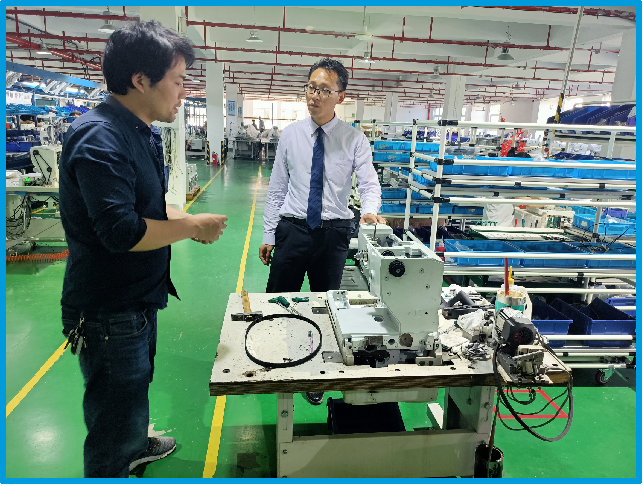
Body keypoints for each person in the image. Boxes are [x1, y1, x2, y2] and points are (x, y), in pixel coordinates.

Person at [58, 21, 228, 478]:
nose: (184, 92)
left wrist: (184, 222)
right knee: (114, 410)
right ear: (140, 80)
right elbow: (121, 231)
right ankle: (117, 459)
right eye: (178, 80)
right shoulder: (100, 138)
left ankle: (135, 444)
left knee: (131, 388)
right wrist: (190, 226)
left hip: (136, 297)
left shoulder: (139, 131)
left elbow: (146, 208)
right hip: (109, 306)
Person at [259, 58, 384, 406]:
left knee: (327, 306)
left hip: (333, 235)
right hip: (293, 229)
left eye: (324, 90)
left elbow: (369, 183)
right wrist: (269, 233)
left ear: (340, 96)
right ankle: (273, 357)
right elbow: (277, 188)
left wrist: (370, 210)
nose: (314, 95)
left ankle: (316, 373)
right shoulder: (291, 135)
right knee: (277, 299)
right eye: (311, 88)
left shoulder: (354, 140)